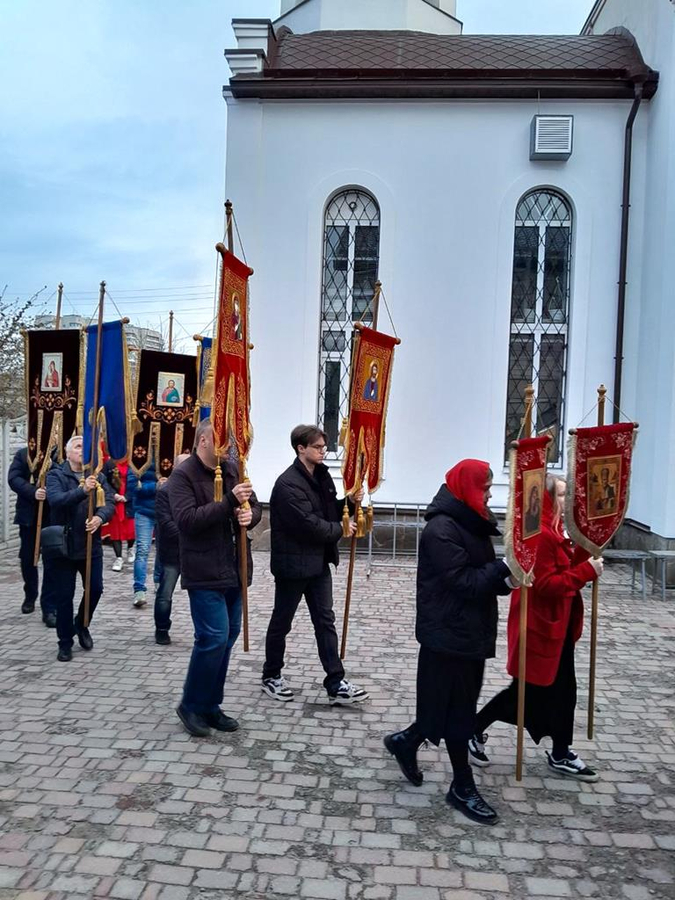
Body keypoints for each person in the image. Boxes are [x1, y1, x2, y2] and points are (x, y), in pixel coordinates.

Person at [383, 459, 517, 825]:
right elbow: (466, 583)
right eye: (485, 487)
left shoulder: (469, 520)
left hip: (465, 630)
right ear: (466, 487)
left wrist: (510, 579)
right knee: (457, 712)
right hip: (447, 634)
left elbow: (483, 579)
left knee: (442, 707)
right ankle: (462, 786)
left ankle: (406, 742)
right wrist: (505, 567)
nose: (490, 494)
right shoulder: (441, 530)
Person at [472, 475, 603, 782]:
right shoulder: (541, 534)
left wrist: (587, 549)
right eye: (560, 495)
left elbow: (564, 568)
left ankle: (560, 751)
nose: (565, 501)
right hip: (540, 627)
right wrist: (585, 571)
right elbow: (545, 584)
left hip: (560, 626)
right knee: (523, 694)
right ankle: (473, 727)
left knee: (564, 692)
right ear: (545, 499)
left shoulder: (557, 530)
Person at [261, 424, 368, 706]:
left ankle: (335, 681)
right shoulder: (287, 484)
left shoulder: (321, 476)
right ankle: (271, 674)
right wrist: (341, 530)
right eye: (318, 447)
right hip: (293, 565)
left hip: (318, 563)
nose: (323, 451)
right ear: (301, 449)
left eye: (324, 447)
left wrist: (351, 503)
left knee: (325, 621)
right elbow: (308, 524)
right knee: (282, 622)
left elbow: (330, 510)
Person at [169, 418, 261, 737]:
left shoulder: (233, 468)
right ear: (204, 441)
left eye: (229, 441)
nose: (227, 447)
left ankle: (211, 704)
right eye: (220, 440)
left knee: (228, 637)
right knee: (213, 638)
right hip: (204, 570)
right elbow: (187, 521)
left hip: (235, 568)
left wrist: (250, 514)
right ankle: (191, 704)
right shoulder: (182, 476)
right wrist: (229, 503)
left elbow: (255, 505)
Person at [45, 435, 115, 662]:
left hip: (89, 545)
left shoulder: (97, 475)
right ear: (67, 452)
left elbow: (110, 502)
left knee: (95, 589)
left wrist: (99, 517)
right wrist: (82, 491)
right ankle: (64, 642)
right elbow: (56, 501)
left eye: (84, 447)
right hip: (63, 547)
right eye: (77, 446)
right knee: (64, 596)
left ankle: (81, 624)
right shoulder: (56, 475)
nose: (81, 450)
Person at [7, 446, 57, 626]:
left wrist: (51, 491)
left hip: (53, 515)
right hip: (29, 515)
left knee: (53, 560)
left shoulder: (60, 454)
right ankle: (30, 594)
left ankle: (49, 606)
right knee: (28, 558)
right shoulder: (24, 454)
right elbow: (13, 478)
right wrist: (32, 491)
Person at [153, 452, 190, 645]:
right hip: (172, 551)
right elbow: (165, 522)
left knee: (200, 594)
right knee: (165, 593)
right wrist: (190, 536)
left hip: (194, 552)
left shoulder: (195, 487)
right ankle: (161, 628)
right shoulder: (164, 491)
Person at [126, 462, 160, 608]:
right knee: (143, 550)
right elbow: (132, 486)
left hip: (165, 509)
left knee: (163, 550)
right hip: (144, 511)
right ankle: (139, 589)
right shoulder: (139, 454)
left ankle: (159, 582)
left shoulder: (171, 448)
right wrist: (155, 487)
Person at [102, 458, 135, 571]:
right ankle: (119, 557)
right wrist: (113, 494)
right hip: (115, 501)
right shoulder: (109, 464)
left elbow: (137, 482)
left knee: (131, 529)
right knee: (116, 531)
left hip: (130, 502)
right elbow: (103, 480)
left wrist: (127, 496)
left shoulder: (134, 462)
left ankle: (130, 548)